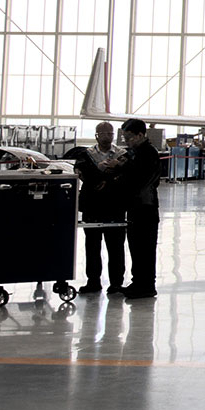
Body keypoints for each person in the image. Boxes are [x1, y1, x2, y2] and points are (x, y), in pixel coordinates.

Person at [112, 118, 164, 300]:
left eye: (129, 137)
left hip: (146, 207)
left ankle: (147, 285)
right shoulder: (134, 153)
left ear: (140, 135)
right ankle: (138, 282)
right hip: (135, 206)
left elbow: (141, 180)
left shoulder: (148, 154)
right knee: (135, 246)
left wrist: (121, 174)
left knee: (145, 248)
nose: (126, 140)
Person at [74, 121, 125, 295]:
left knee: (116, 247)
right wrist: (100, 174)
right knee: (92, 246)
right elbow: (81, 173)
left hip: (115, 206)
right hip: (92, 206)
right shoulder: (85, 154)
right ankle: (93, 281)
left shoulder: (122, 154)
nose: (106, 136)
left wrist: (107, 177)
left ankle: (117, 283)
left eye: (110, 133)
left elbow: (125, 175)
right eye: (103, 133)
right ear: (96, 135)